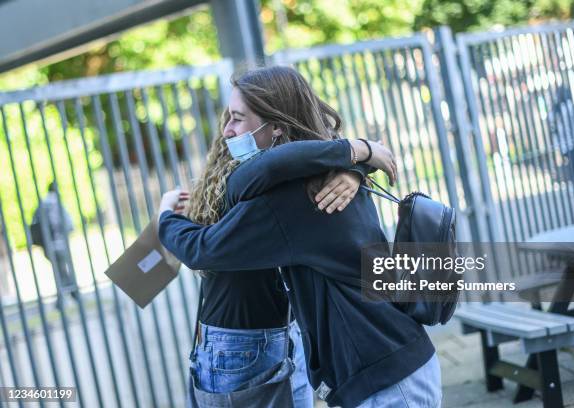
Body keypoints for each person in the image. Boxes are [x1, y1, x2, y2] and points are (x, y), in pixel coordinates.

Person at [159, 66, 442, 408]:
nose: (226, 131)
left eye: (237, 118)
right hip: (392, 363)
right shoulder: (327, 174)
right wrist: (359, 155)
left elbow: (202, 249)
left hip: (386, 378)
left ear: (276, 126)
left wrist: (166, 219)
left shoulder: (290, 197)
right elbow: (271, 167)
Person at [31, 181, 78, 304]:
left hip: (47, 245)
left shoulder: (42, 205)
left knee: (58, 270)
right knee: (62, 269)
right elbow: (69, 224)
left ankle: (66, 296)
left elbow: (34, 223)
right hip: (61, 243)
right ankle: (71, 294)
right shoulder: (58, 204)